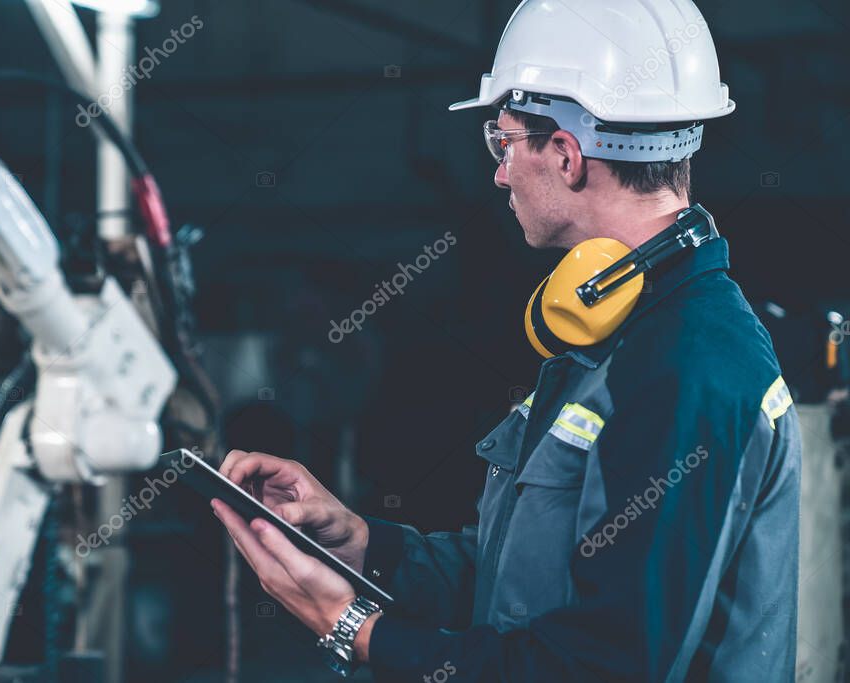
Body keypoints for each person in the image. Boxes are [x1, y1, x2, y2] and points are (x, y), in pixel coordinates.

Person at [211, 0, 801, 679]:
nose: (497, 171)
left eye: (504, 140)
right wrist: (363, 543)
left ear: (566, 154)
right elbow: (525, 588)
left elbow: (603, 665)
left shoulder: (689, 363)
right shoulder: (612, 327)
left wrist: (358, 629)